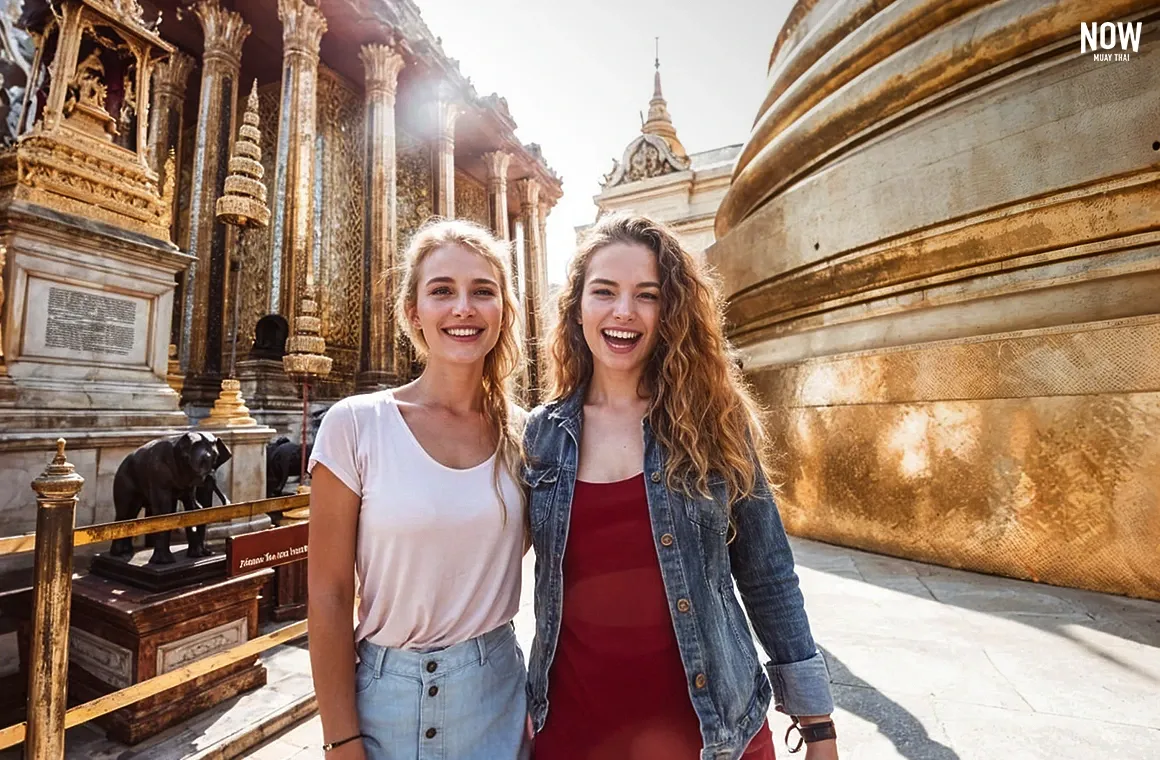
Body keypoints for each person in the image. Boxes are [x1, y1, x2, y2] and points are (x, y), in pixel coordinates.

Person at [523, 212, 839, 760]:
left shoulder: (713, 422)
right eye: (604, 292)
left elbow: (767, 573)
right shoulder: (542, 436)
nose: (624, 312)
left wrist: (818, 726)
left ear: (670, 310)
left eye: (647, 295)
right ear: (576, 307)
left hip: (713, 734)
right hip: (574, 733)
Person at [307, 219, 530, 760]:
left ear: (503, 311)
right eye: (442, 291)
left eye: (483, 291)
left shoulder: (527, 437)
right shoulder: (356, 424)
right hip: (385, 699)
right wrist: (341, 739)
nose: (463, 308)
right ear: (414, 313)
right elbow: (330, 594)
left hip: (496, 694)